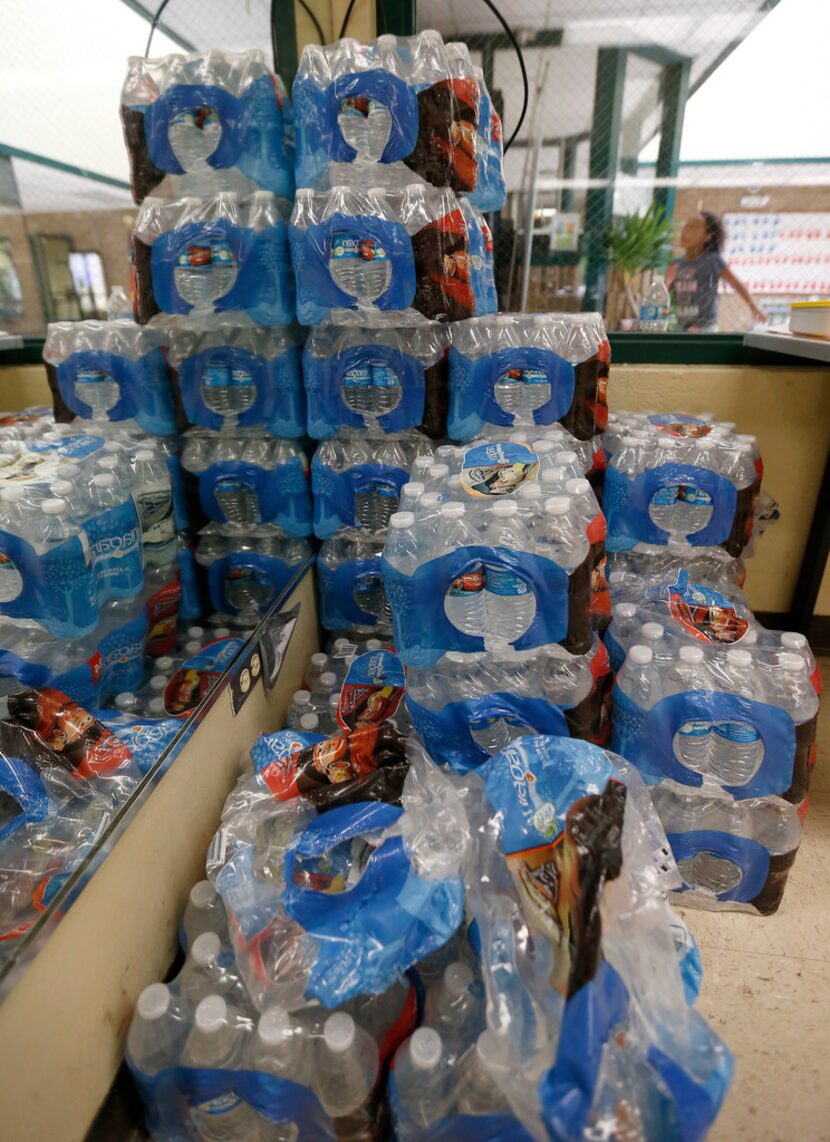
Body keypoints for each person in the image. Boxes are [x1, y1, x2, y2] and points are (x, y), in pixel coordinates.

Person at [666, 211, 766, 332]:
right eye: (686, 225)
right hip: (681, 325)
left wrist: (754, 308)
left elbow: (737, 284)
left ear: (707, 237)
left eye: (694, 227)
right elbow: (662, 293)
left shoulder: (712, 260)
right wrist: (668, 280)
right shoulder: (676, 264)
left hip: (705, 326)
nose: (686, 231)